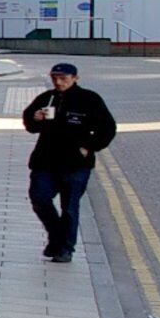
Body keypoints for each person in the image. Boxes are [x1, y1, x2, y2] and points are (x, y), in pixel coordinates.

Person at [21, 59, 117, 262]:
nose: (58, 82)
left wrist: (88, 147)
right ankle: (57, 237)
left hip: (75, 164)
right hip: (46, 161)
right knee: (39, 198)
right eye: (54, 78)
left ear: (75, 78)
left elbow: (108, 128)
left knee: (70, 208)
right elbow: (30, 123)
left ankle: (65, 249)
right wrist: (34, 118)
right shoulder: (47, 98)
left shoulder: (89, 99)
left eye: (63, 78)